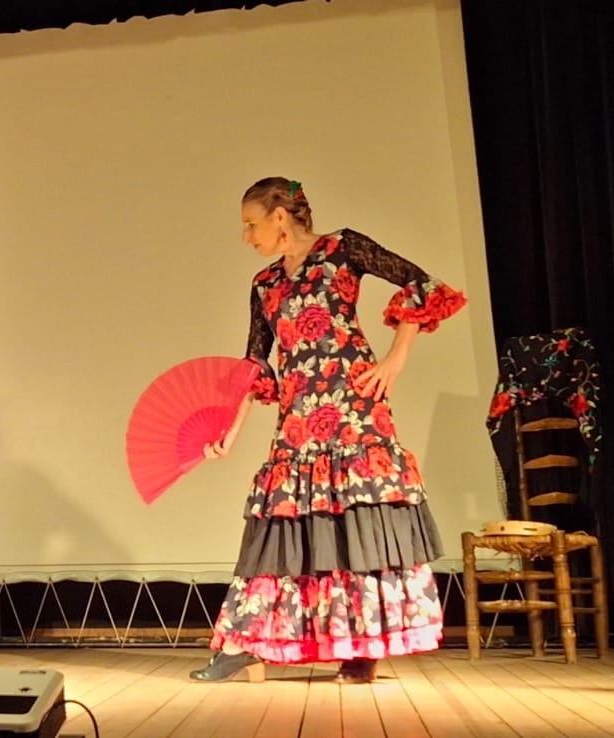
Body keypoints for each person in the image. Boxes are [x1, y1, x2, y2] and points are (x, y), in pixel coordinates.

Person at [189, 178, 465, 684]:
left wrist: (396, 358)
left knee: (357, 525)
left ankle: (362, 647)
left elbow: (419, 284)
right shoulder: (265, 284)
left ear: (279, 217)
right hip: (298, 420)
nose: (246, 235)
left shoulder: (342, 249)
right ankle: (250, 641)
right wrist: (230, 430)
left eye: (251, 224)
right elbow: (255, 365)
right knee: (284, 527)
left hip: (355, 408)